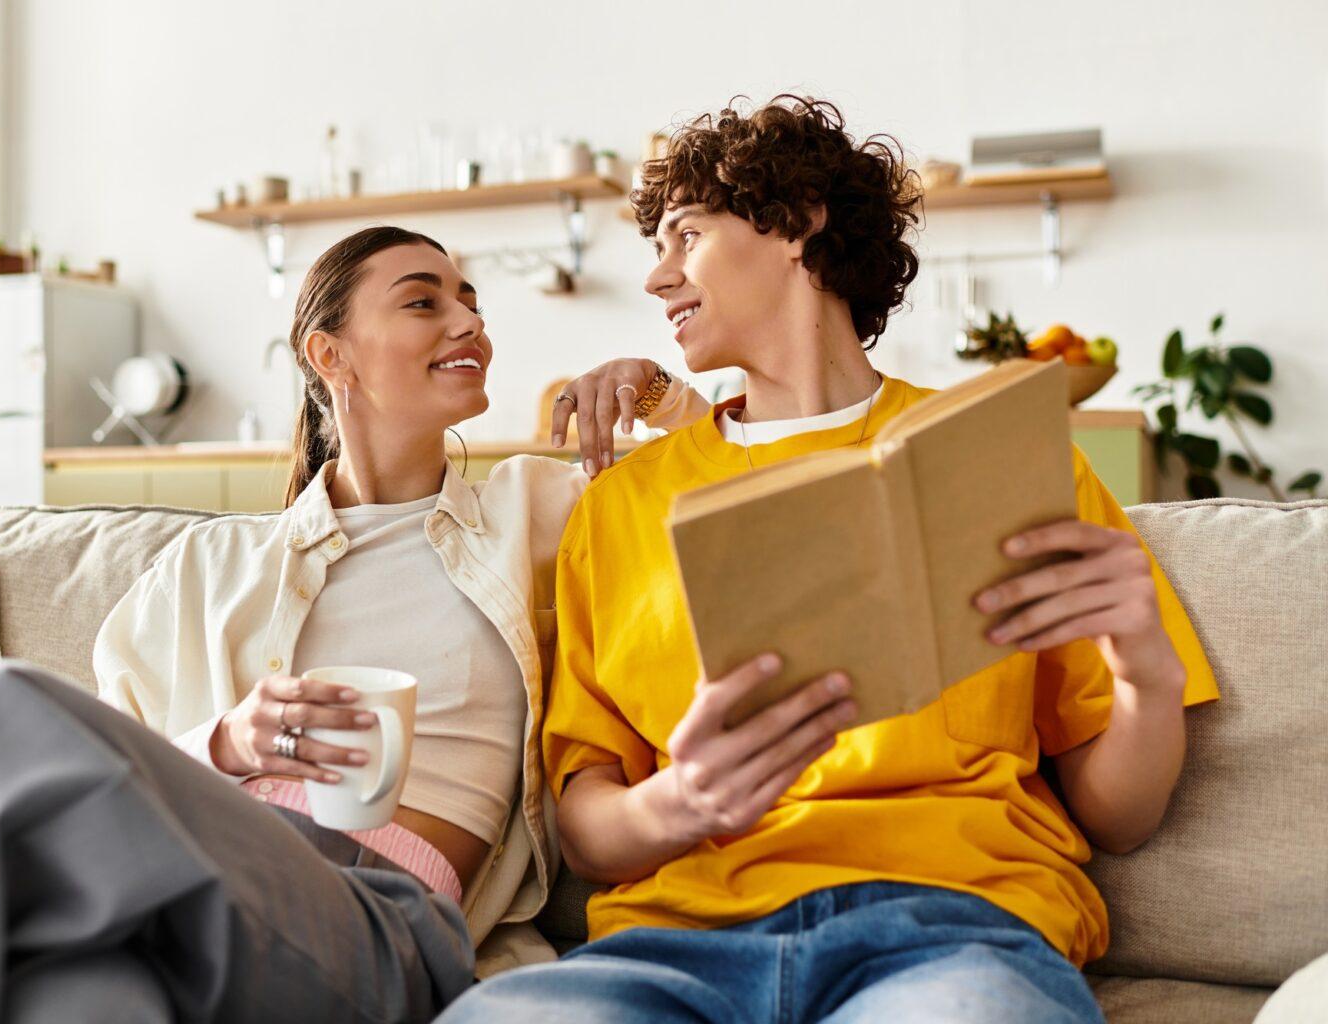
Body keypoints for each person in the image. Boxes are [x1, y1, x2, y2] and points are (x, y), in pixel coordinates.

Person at [0, 225, 710, 1024]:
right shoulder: (203, 569)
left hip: (380, 922)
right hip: (200, 884)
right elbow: (117, 773)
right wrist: (227, 742)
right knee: (71, 1004)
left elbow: (739, 492)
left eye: (470, 300)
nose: (470, 322)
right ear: (331, 356)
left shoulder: (539, 508)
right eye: (424, 302)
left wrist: (662, 393)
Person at [440, 95, 1219, 1024]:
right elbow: (591, 826)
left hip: (955, 927)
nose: (657, 279)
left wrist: (1144, 669)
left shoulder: (1004, 462)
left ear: (799, 221)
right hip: (678, 946)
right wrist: (680, 804)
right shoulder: (621, 506)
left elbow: (1119, 818)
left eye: (685, 236)